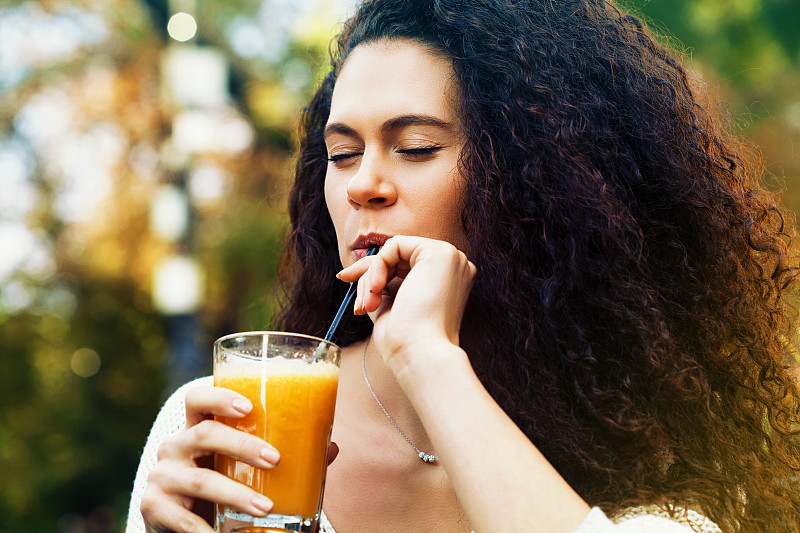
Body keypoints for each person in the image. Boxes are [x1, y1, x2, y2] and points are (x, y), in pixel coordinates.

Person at [127, 0, 800, 531]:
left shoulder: (645, 449)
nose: (365, 184)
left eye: (415, 146)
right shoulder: (222, 424)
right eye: (341, 153)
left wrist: (428, 357)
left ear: (538, 181)